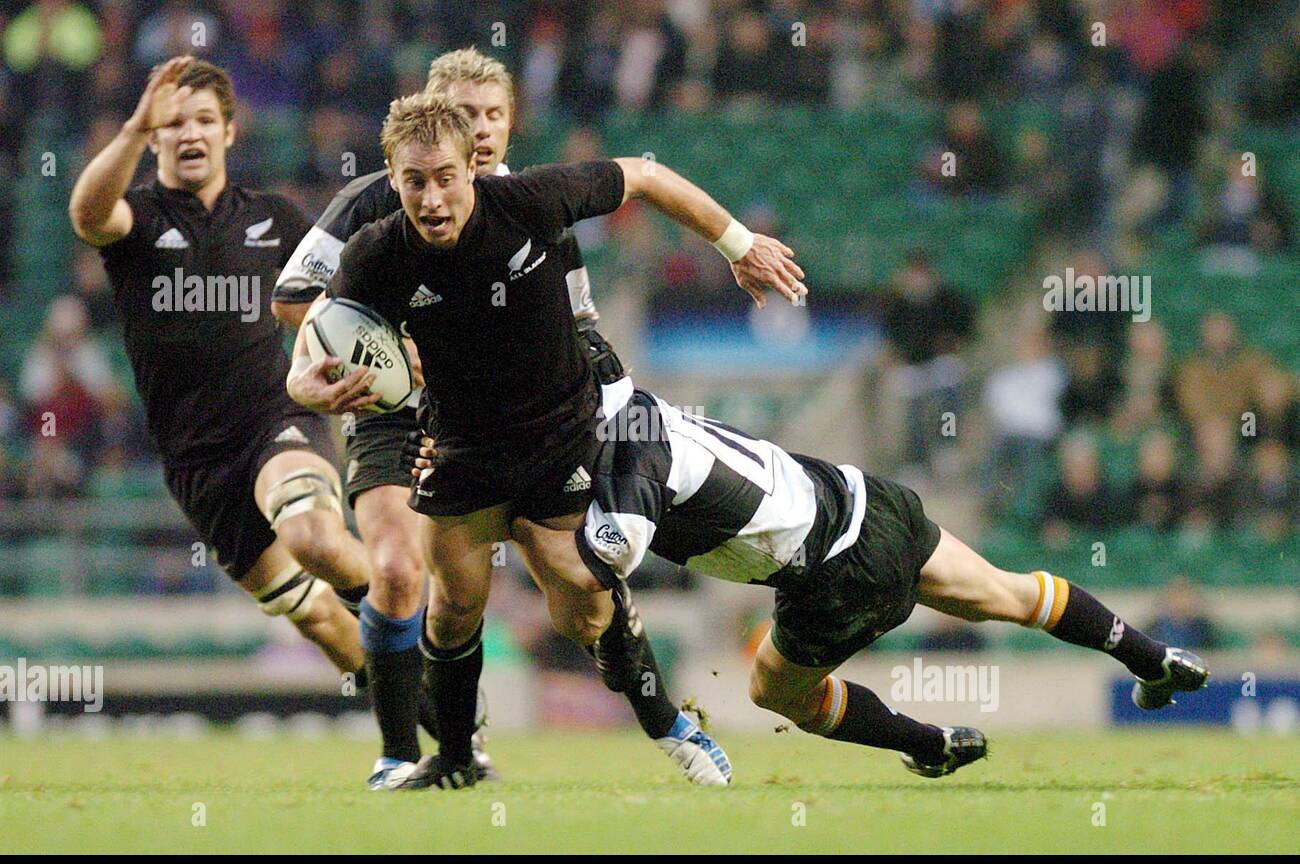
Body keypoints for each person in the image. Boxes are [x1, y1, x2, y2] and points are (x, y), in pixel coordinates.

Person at [294, 90, 804, 789]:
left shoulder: (533, 201)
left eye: (446, 177)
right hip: (462, 450)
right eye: (415, 182)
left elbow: (647, 177)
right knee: (453, 605)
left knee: (584, 598)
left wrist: (738, 245)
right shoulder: (375, 253)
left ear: (471, 167)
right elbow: (312, 335)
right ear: (392, 175)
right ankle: (452, 757)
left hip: (556, 441)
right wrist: (309, 389)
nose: (434, 197)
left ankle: (670, 725)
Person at [487, 388, 1210, 780]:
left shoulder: (629, 470)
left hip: (835, 572)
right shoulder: (633, 403)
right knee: (1011, 593)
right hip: (866, 498)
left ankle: (926, 741)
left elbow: (603, 571)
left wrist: (514, 520)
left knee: (773, 690)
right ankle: (1153, 657)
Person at [68, 57, 369, 684]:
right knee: (312, 616)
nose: (190, 133)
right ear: (154, 138)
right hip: (196, 459)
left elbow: (333, 305)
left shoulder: (276, 219)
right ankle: (428, 710)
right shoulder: (139, 221)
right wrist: (129, 128)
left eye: (204, 120)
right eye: (173, 123)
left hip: (275, 419)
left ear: (229, 132)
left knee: (313, 532)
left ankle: (410, 615)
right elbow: (88, 215)